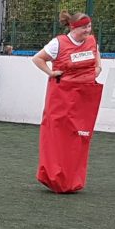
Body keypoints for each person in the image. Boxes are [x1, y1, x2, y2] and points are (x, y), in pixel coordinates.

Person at [31, 10, 103, 193]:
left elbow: (96, 57)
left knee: (79, 137)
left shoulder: (92, 41)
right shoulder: (59, 43)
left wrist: (98, 68)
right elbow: (37, 58)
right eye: (84, 27)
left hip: (84, 98)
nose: (88, 30)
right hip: (61, 97)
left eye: (89, 26)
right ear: (73, 27)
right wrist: (50, 72)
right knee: (57, 137)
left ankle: (72, 180)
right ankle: (55, 177)